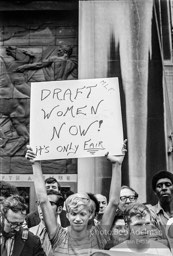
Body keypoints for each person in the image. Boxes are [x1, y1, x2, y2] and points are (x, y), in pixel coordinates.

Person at [25, 141, 126, 255]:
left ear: (90, 215)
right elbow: (43, 200)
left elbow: (113, 202)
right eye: (73, 213)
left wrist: (117, 165)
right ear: (67, 215)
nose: (77, 218)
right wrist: (35, 164)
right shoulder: (59, 236)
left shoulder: (99, 235)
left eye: (82, 214)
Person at [30, 190, 64, 256]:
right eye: (39, 204)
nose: (42, 208)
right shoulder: (29, 233)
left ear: (59, 209)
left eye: (48, 204)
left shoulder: (66, 237)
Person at [147, 170, 173, 240]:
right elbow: (155, 242)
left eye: (168, 185)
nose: (164, 188)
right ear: (155, 191)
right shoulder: (150, 213)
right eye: (159, 186)